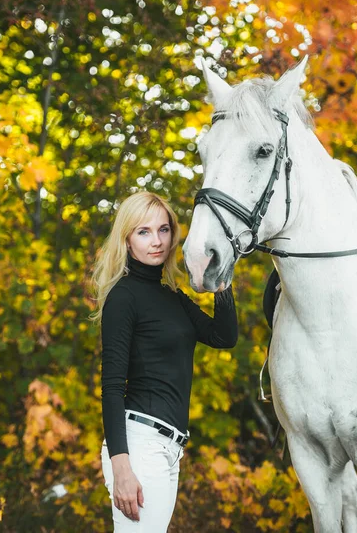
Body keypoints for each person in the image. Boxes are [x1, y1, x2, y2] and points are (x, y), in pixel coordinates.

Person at [91, 191, 238, 532]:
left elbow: (223, 337)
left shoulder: (172, 296)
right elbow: (112, 387)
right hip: (138, 446)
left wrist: (220, 277)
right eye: (143, 232)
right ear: (126, 240)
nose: (156, 241)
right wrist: (121, 467)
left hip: (169, 448)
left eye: (163, 230)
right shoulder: (123, 297)